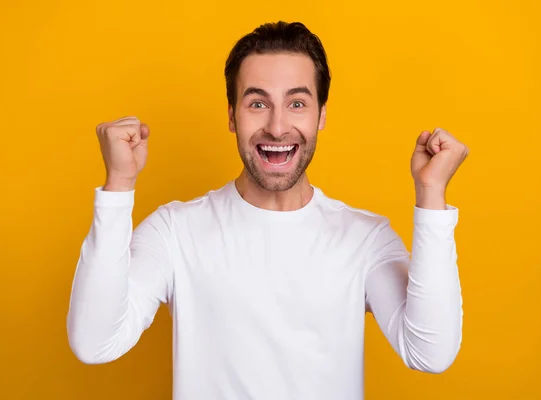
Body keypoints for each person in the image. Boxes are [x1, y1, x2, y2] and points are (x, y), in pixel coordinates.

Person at [67, 21, 468, 400]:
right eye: (258, 103)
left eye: (296, 103)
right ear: (231, 116)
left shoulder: (365, 238)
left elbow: (430, 352)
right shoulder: (174, 232)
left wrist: (431, 195)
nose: (277, 128)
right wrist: (118, 186)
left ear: (321, 115)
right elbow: (94, 341)